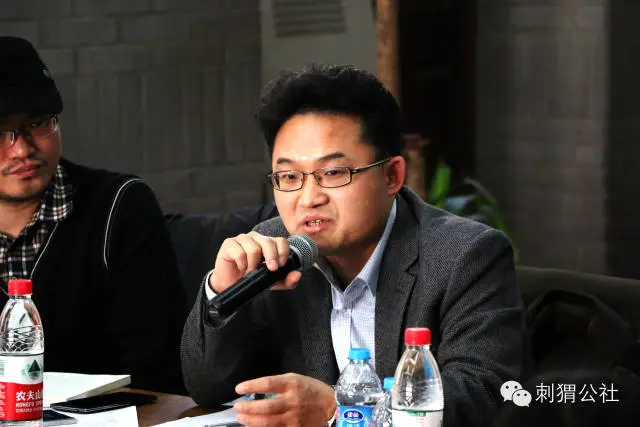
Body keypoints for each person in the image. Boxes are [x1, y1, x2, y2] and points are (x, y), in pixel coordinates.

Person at [181, 64, 527, 426]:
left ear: (392, 175)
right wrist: (224, 291)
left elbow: (482, 394)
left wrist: (340, 410)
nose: (308, 198)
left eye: (333, 173)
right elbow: (208, 388)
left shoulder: (464, 255)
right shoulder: (272, 250)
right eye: (289, 176)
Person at [0, 37, 186, 393]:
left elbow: (158, 371)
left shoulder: (119, 207)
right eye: (1, 133)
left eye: (37, 124)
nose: (22, 149)